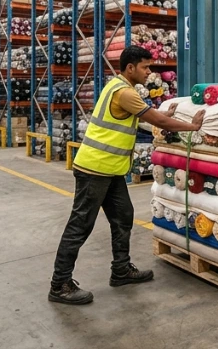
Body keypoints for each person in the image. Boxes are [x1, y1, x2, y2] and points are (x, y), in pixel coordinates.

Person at [48, 45, 204, 306]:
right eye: (145, 67)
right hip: (95, 169)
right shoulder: (125, 92)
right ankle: (59, 284)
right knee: (80, 225)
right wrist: (192, 126)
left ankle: (121, 270)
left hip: (111, 170)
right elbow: (158, 121)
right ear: (130, 68)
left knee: (123, 216)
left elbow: (141, 118)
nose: (149, 72)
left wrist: (162, 115)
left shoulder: (117, 87)